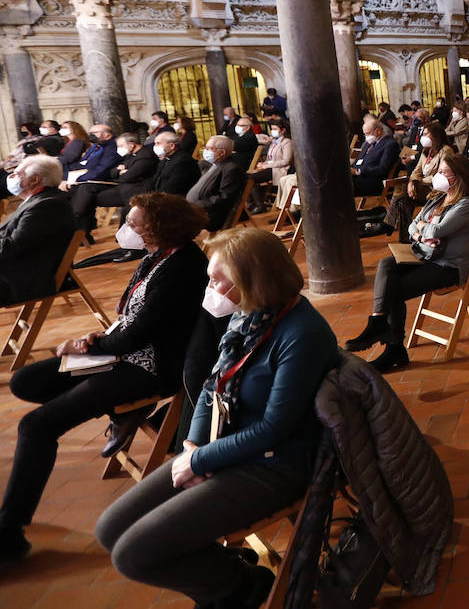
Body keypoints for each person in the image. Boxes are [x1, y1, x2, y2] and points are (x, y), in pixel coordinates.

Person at [95, 227, 338, 607]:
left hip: (273, 465)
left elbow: (275, 429)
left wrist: (200, 459)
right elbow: (212, 384)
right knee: (110, 530)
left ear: (251, 279)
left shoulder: (301, 333)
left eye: (216, 281)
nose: (208, 290)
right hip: (224, 447)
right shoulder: (250, 313)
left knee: (133, 555)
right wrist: (194, 445)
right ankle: (231, 579)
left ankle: (234, 588)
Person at [0, 193, 209, 563]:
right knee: (26, 383)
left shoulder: (183, 266)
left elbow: (139, 335)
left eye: (136, 224)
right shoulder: (159, 254)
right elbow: (132, 319)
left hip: (150, 365)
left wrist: (88, 347)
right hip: (123, 351)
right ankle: (117, 410)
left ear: (162, 227)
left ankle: (9, 531)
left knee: (37, 426)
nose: (127, 229)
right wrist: (98, 340)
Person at [346, 151, 469, 373]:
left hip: (449, 266)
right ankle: (378, 322)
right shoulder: (441, 197)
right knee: (386, 264)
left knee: (393, 289)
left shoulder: (466, 204)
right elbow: (413, 223)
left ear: (459, 177)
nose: (437, 175)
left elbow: (435, 229)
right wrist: (421, 234)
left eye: (443, 172)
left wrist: (421, 232)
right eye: (437, 170)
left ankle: (393, 347)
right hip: (426, 254)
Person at [0, 157, 76, 305]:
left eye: (17, 173)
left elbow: (13, 247)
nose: (11, 177)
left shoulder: (46, 205)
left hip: (24, 279)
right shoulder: (39, 200)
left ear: (35, 179)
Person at [364, 120, 448, 238]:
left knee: (400, 188)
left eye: (426, 134)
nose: (423, 137)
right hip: (423, 186)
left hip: (436, 189)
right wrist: (412, 183)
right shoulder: (426, 151)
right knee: (404, 200)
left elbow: (441, 175)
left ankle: (388, 224)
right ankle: (406, 236)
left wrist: (417, 183)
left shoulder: (445, 151)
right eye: (422, 134)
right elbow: (416, 171)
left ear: (436, 135)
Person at [69, 132, 158, 235]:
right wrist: (120, 171)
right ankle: (82, 231)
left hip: (135, 190)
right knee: (87, 195)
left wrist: (121, 172)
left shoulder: (145, 156)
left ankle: (76, 221)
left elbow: (127, 177)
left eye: (121, 146)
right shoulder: (131, 155)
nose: (119, 149)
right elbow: (113, 171)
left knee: (87, 196)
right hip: (124, 188)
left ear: (132, 144)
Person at [186, 135, 247, 232]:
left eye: (209, 148)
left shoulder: (231, 169)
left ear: (222, 152)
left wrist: (197, 205)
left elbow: (224, 197)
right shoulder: (216, 164)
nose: (205, 151)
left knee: (173, 222)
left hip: (212, 214)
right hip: (198, 209)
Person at [246, 120, 293, 214]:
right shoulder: (274, 142)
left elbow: (286, 161)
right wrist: (264, 164)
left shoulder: (287, 142)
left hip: (279, 170)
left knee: (251, 178)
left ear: (283, 130)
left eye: (275, 129)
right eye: (272, 129)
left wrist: (267, 165)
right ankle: (252, 203)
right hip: (270, 167)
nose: (272, 131)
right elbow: (270, 157)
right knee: (246, 176)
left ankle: (259, 205)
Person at [352, 118, 400, 197]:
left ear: (378, 131)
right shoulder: (368, 143)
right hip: (361, 176)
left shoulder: (390, 144)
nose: (366, 137)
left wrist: (358, 171)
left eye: (368, 133)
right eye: (365, 134)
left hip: (375, 180)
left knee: (345, 183)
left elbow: (382, 169)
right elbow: (358, 160)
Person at [149, 130, 201, 198]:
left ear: (172, 146)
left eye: (158, 143)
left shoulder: (183, 161)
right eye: (155, 143)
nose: (155, 146)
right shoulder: (166, 158)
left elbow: (173, 188)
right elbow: (156, 180)